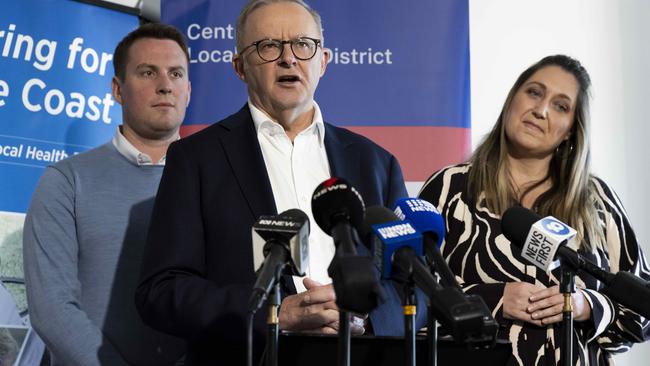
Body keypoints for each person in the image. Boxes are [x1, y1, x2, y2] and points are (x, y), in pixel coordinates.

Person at [135, 0, 425, 365]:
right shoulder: (196, 159)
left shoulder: (376, 163)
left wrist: (364, 317)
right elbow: (162, 291)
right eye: (269, 46)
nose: (289, 58)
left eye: (303, 44)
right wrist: (276, 313)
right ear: (240, 66)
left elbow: (415, 286)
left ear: (322, 61)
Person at [419, 54, 650, 365]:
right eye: (534, 92)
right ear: (512, 98)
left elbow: (642, 315)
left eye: (561, 106)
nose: (540, 111)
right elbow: (409, 296)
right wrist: (495, 298)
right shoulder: (451, 188)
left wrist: (585, 305)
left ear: (570, 129)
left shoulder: (597, 202)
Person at [22, 23, 190, 365]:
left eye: (175, 74)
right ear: (117, 89)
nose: (164, 86)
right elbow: (52, 308)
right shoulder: (66, 181)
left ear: (188, 90)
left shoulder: (215, 179)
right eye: (147, 72)